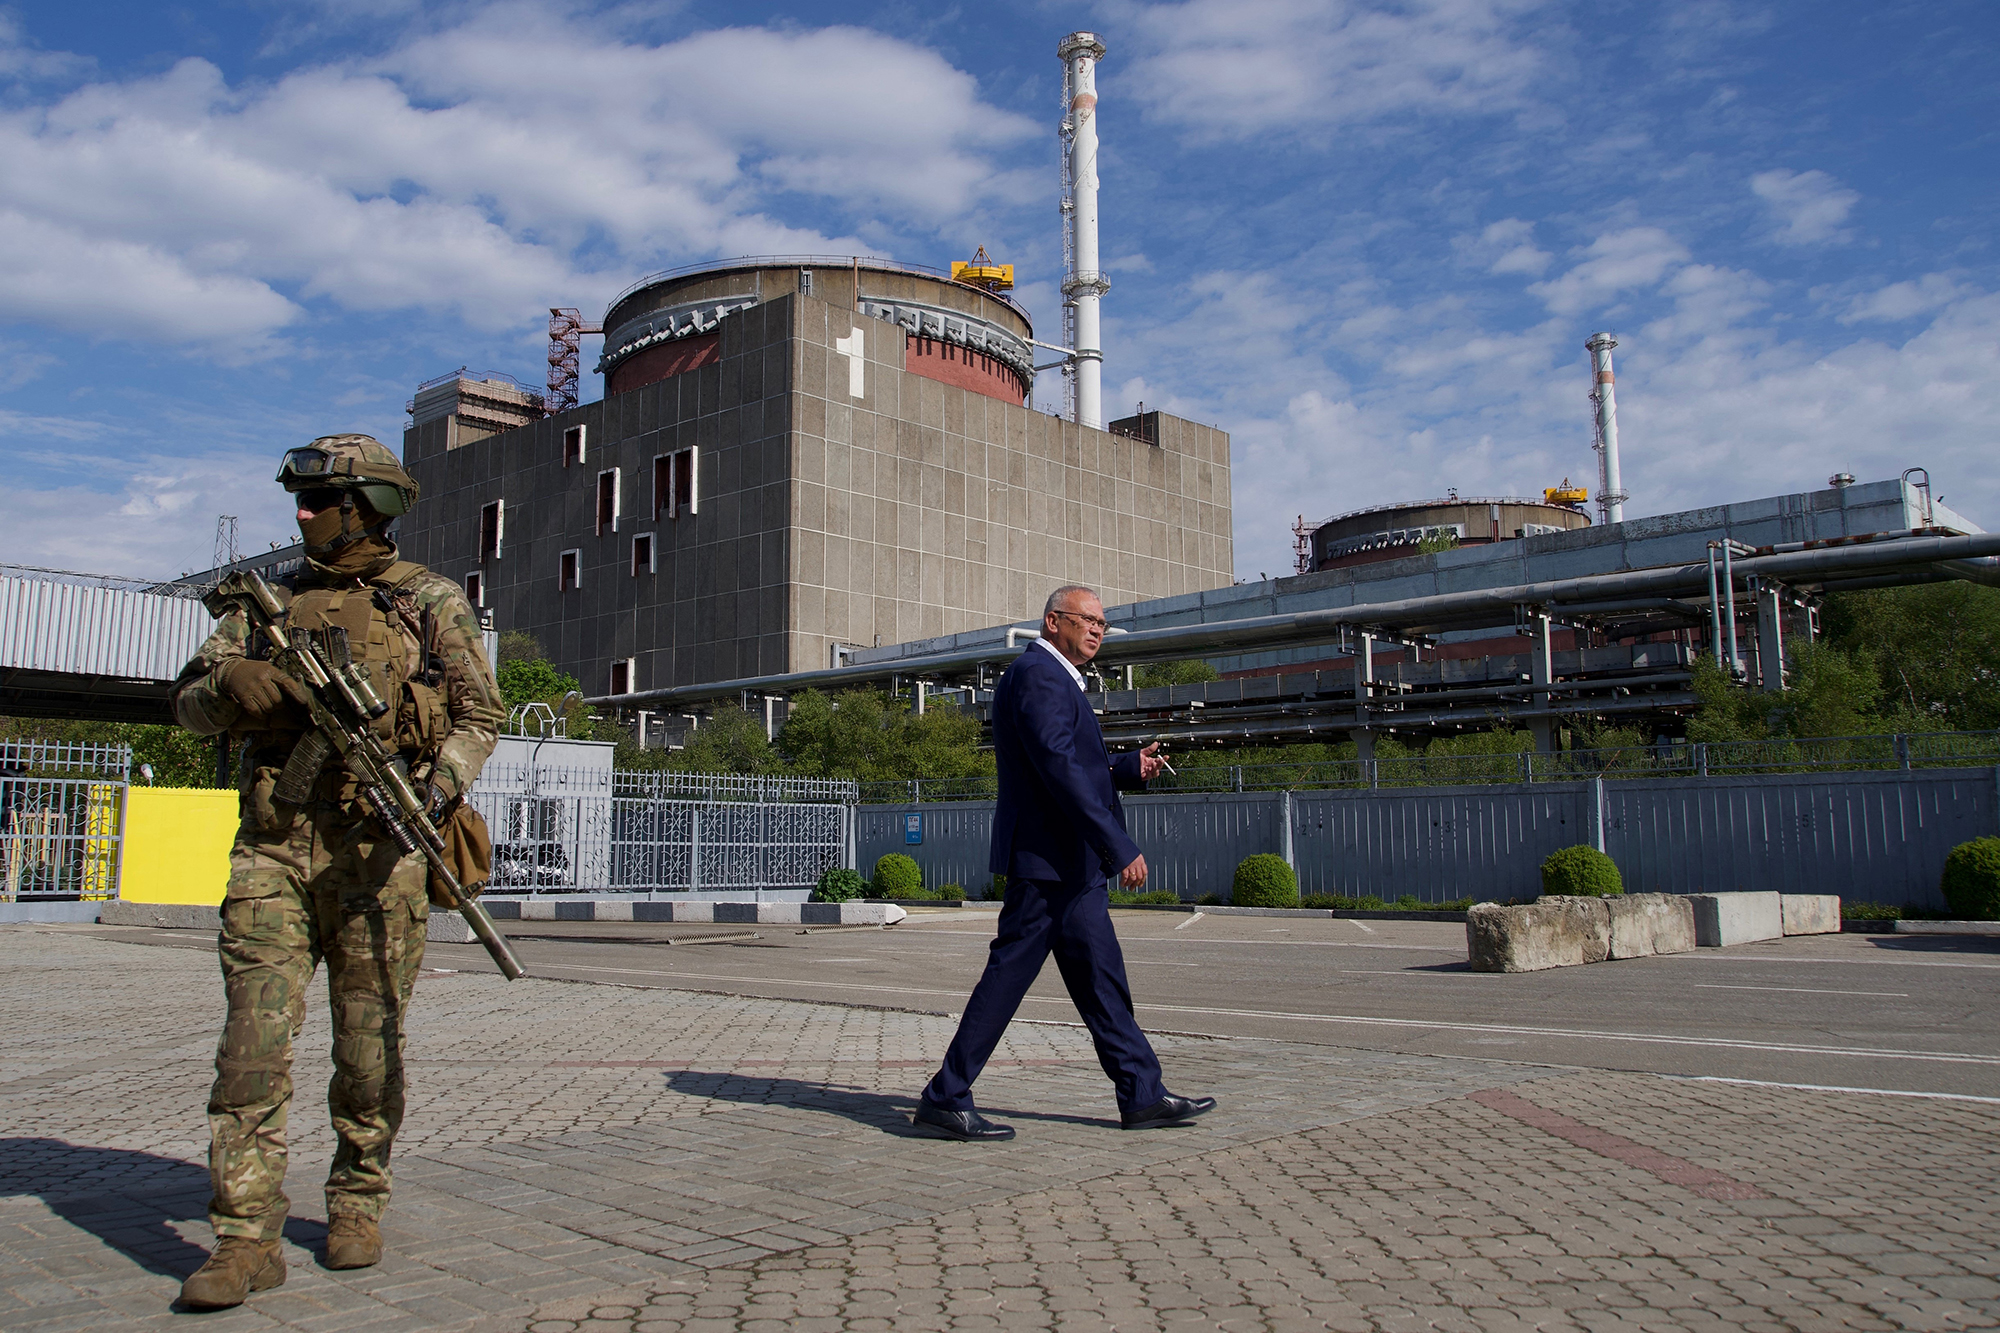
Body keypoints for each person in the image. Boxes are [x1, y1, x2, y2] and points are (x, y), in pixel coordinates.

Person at [169, 435, 504, 1310]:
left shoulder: (428, 601)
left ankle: (357, 1197)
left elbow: (481, 713)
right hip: (274, 850)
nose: (302, 515)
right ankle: (245, 1238)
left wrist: (437, 785)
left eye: (317, 502)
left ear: (364, 507)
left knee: (368, 1052)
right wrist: (232, 681)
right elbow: (186, 704)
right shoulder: (265, 604)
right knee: (249, 1053)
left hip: (381, 857)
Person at [913, 584, 1216, 1140]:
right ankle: (946, 1095)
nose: (1098, 629)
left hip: (1068, 868)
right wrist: (1118, 846)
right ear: (1054, 622)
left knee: (1103, 981)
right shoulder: (1039, 675)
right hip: (1049, 863)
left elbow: (1074, 763)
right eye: (1088, 619)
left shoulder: (1057, 679)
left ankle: (1142, 1094)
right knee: (1008, 979)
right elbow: (1057, 768)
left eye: (1103, 622)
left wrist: (1126, 768)